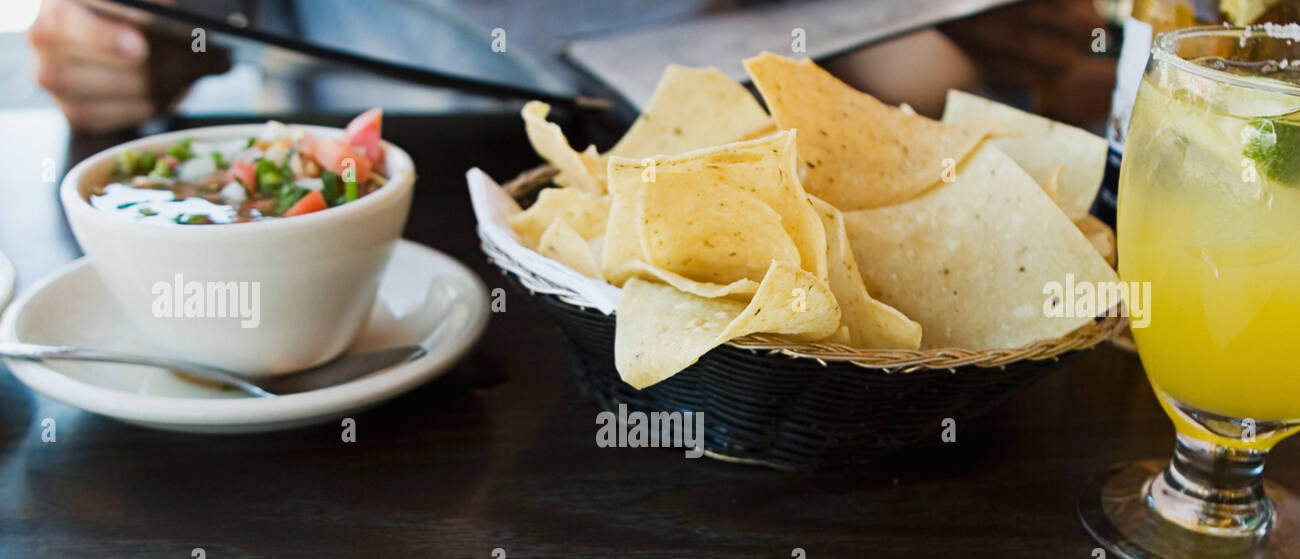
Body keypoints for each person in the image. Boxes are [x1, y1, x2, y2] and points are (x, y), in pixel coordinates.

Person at [29, 0, 1111, 132]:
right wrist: (136, 50)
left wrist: (1023, 43)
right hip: (380, 238)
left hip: (784, 193)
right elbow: (184, 27)